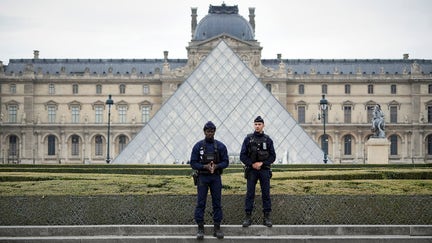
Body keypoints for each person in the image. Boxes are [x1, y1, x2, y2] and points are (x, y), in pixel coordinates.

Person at [190, 121, 229, 240]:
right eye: (208, 131)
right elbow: (193, 162)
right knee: (201, 203)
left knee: (217, 203)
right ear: (204, 132)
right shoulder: (198, 146)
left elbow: (226, 162)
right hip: (202, 176)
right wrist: (204, 167)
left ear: (214, 132)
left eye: (212, 131)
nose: (210, 133)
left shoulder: (221, 146)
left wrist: (216, 166)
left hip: (215, 177)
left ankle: (217, 228)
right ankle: (200, 228)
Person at [240, 116, 276, 227]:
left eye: (259, 124)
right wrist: (252, 164)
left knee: (266, 194)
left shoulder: (268, 140)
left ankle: (267, 218)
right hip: (251, 171)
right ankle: (248, 218)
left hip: (264, 170)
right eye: (255, 124)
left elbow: (273, 157)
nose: (257, 126)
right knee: (250, 194)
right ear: (253, 125)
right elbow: (242, 156)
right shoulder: (248, 139)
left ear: (263, 125)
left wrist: (262, 164)